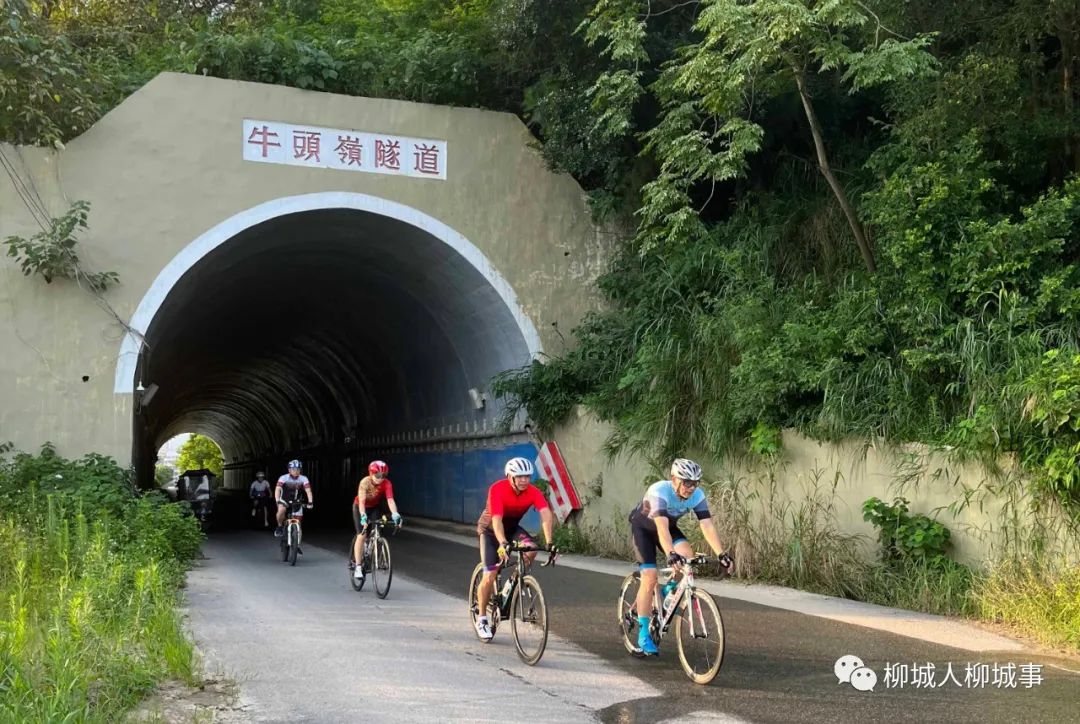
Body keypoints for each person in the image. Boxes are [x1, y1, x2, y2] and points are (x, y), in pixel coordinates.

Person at [628, 458, 732, 656]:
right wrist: (670, 554)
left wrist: (721, 553)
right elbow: (661, 528)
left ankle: (669, 592)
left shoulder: (697, 495)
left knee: (687, 556)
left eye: (695, 483)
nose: (691, 488)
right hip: (644, 529)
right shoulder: (659, 491)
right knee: (650, 576)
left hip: (669, 528)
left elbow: (707, 525)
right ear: (674, 479)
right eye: (687, 482)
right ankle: (643, 633)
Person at [474, 457, 554, 641]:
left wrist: (549, 542)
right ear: (510, 477)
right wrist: (502, 543)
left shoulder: (533, 491)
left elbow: (545, 514)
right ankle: (482, 619)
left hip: (511, 529)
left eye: (527, 476)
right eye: (519, 477)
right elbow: (496, 520)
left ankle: (514, 581)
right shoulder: (497, 489)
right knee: (490, 574)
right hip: (491, 531)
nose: (524, 480)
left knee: (532, 549)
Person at [350, 460, 402, 582]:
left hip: (374, 508)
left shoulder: (387, 483)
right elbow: (362, 502)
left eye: (384, 475)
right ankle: (358, 566)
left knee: (377, 529)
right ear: (371, 474)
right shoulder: (365, 482)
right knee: (362, 535)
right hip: (360, 507)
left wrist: (395, 514)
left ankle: (374, 551)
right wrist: (363, 516)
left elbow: (390, 500)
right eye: (378, 475)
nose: (381, 478)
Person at [275, 460, 313, 538]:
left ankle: (297, 546)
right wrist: (277, 500)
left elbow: (308, 491)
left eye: (298, 469)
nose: (296, 471)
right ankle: (279, 527)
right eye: (293, 469)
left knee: (299, 524)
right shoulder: (283, 477)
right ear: (289, 470)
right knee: (281, 510)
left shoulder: (304, 478)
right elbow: (277, 489)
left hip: (297, 501)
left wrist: (310, 502)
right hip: (284, 500)